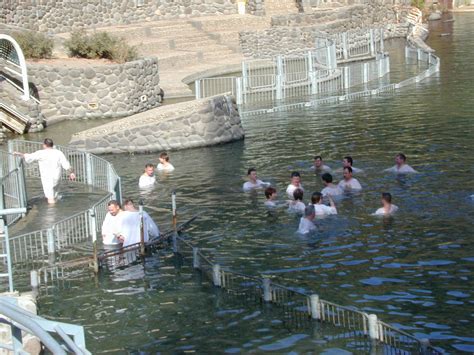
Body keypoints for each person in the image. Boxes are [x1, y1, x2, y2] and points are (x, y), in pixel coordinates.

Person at [14, 138, 75, 204]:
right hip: (57, 176)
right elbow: (65, 164)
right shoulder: (58, 153)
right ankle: (55, 205)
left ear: (44, 145)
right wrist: (71, 173)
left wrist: (19, 154)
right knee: (55, 194)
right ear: (52, 145)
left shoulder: (41, 153)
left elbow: (29, 157)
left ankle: (53, 212)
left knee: (50, 197)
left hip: (47, 178)